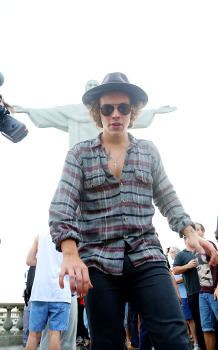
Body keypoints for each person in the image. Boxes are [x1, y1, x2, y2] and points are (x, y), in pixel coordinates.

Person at [49, 72, 217, 350]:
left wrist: (190, 233)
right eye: (108, 108)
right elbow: (62, 205)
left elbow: (167, 197)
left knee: (175, 338)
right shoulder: (79, 154)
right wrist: (70, 252)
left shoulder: (148, 151)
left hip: (146, 254)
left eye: (123, 108)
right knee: (106, 343)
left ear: (132, 112)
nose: (115, 114)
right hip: (98, 260)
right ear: (97, 112)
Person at [13, 80, 177, 148]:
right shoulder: (72, 110)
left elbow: (129, 116)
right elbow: (50, 113)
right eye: (89, 84)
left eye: (94, 84)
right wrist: (27, 110)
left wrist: (154, 112)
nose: (114, 113)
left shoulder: (109, 112)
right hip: (80, 158)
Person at [26, 233, 71, 350]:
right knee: (55, 334)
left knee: (33, 335)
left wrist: (43, 262)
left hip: (40, 292)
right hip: (60, 291)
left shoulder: (40, 235)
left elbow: (29, 261)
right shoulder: (68, 234)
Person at [173, 237, 207, 350]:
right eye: (188, 236)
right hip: (193, 292)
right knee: (198, 322)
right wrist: (187, 266)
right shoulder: (181, 255)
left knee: (210, 321)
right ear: (185, 240)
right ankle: (202, 346)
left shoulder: (202, 250)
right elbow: (175, 270)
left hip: (208, 290)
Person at [194, 223, 218, 350]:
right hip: (202, 293)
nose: (195, 232)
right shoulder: (195, 251)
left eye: (197, 229)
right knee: (207, 328)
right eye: (193, 230)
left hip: (213, 292)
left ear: (203, 232)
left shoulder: (209, 244)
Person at [169, 247, 199, 350]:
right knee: (187, 319)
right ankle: (193, 341)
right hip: (182, 295)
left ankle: (196, 342)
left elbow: (182, 277)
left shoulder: (182, 259)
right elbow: (175, 273)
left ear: (174, 253)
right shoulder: (178, 262)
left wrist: (174, 283)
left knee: (190, 320)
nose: (170, 256)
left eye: (170, 253)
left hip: (186, 294)